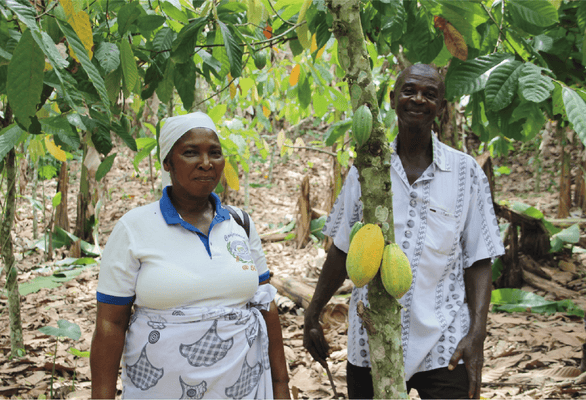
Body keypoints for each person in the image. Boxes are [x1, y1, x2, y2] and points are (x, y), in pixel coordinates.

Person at [303, 64, 505, 399]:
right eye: (410, 90)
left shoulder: (465, 173)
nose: (418, 99)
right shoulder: (366, 171)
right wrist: (314, 311)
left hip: (445, 340)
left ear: (440, 107)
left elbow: (479, 258)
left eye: (430, 94)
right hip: (372, 340)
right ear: (393, 97)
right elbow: (342, 249)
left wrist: (477, 333)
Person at [90, 112, 290, 399]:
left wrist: (281, 387)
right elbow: (111, 323)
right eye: (191, 153)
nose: (206, 163)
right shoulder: (134, 228)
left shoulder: (240, 223)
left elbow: (264, 305)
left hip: (242, 387)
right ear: (168, 163)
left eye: (215, 153)